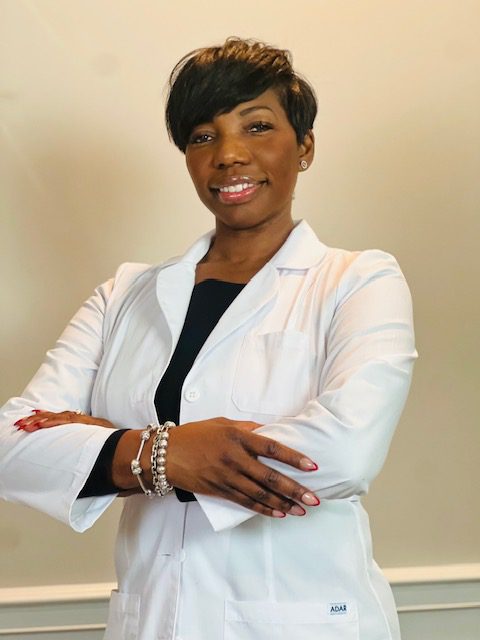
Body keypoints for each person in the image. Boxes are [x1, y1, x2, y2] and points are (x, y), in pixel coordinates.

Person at [0, 38, 417, 639]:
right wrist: (169, 452)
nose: (229, 154)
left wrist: (115, 445)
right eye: (203, 136)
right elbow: (15, 446)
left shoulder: (357, 280)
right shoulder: (125, 295)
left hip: (301, 620)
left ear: (304, 148)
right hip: (157, 620)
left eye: (257, 126)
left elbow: (344, 452)